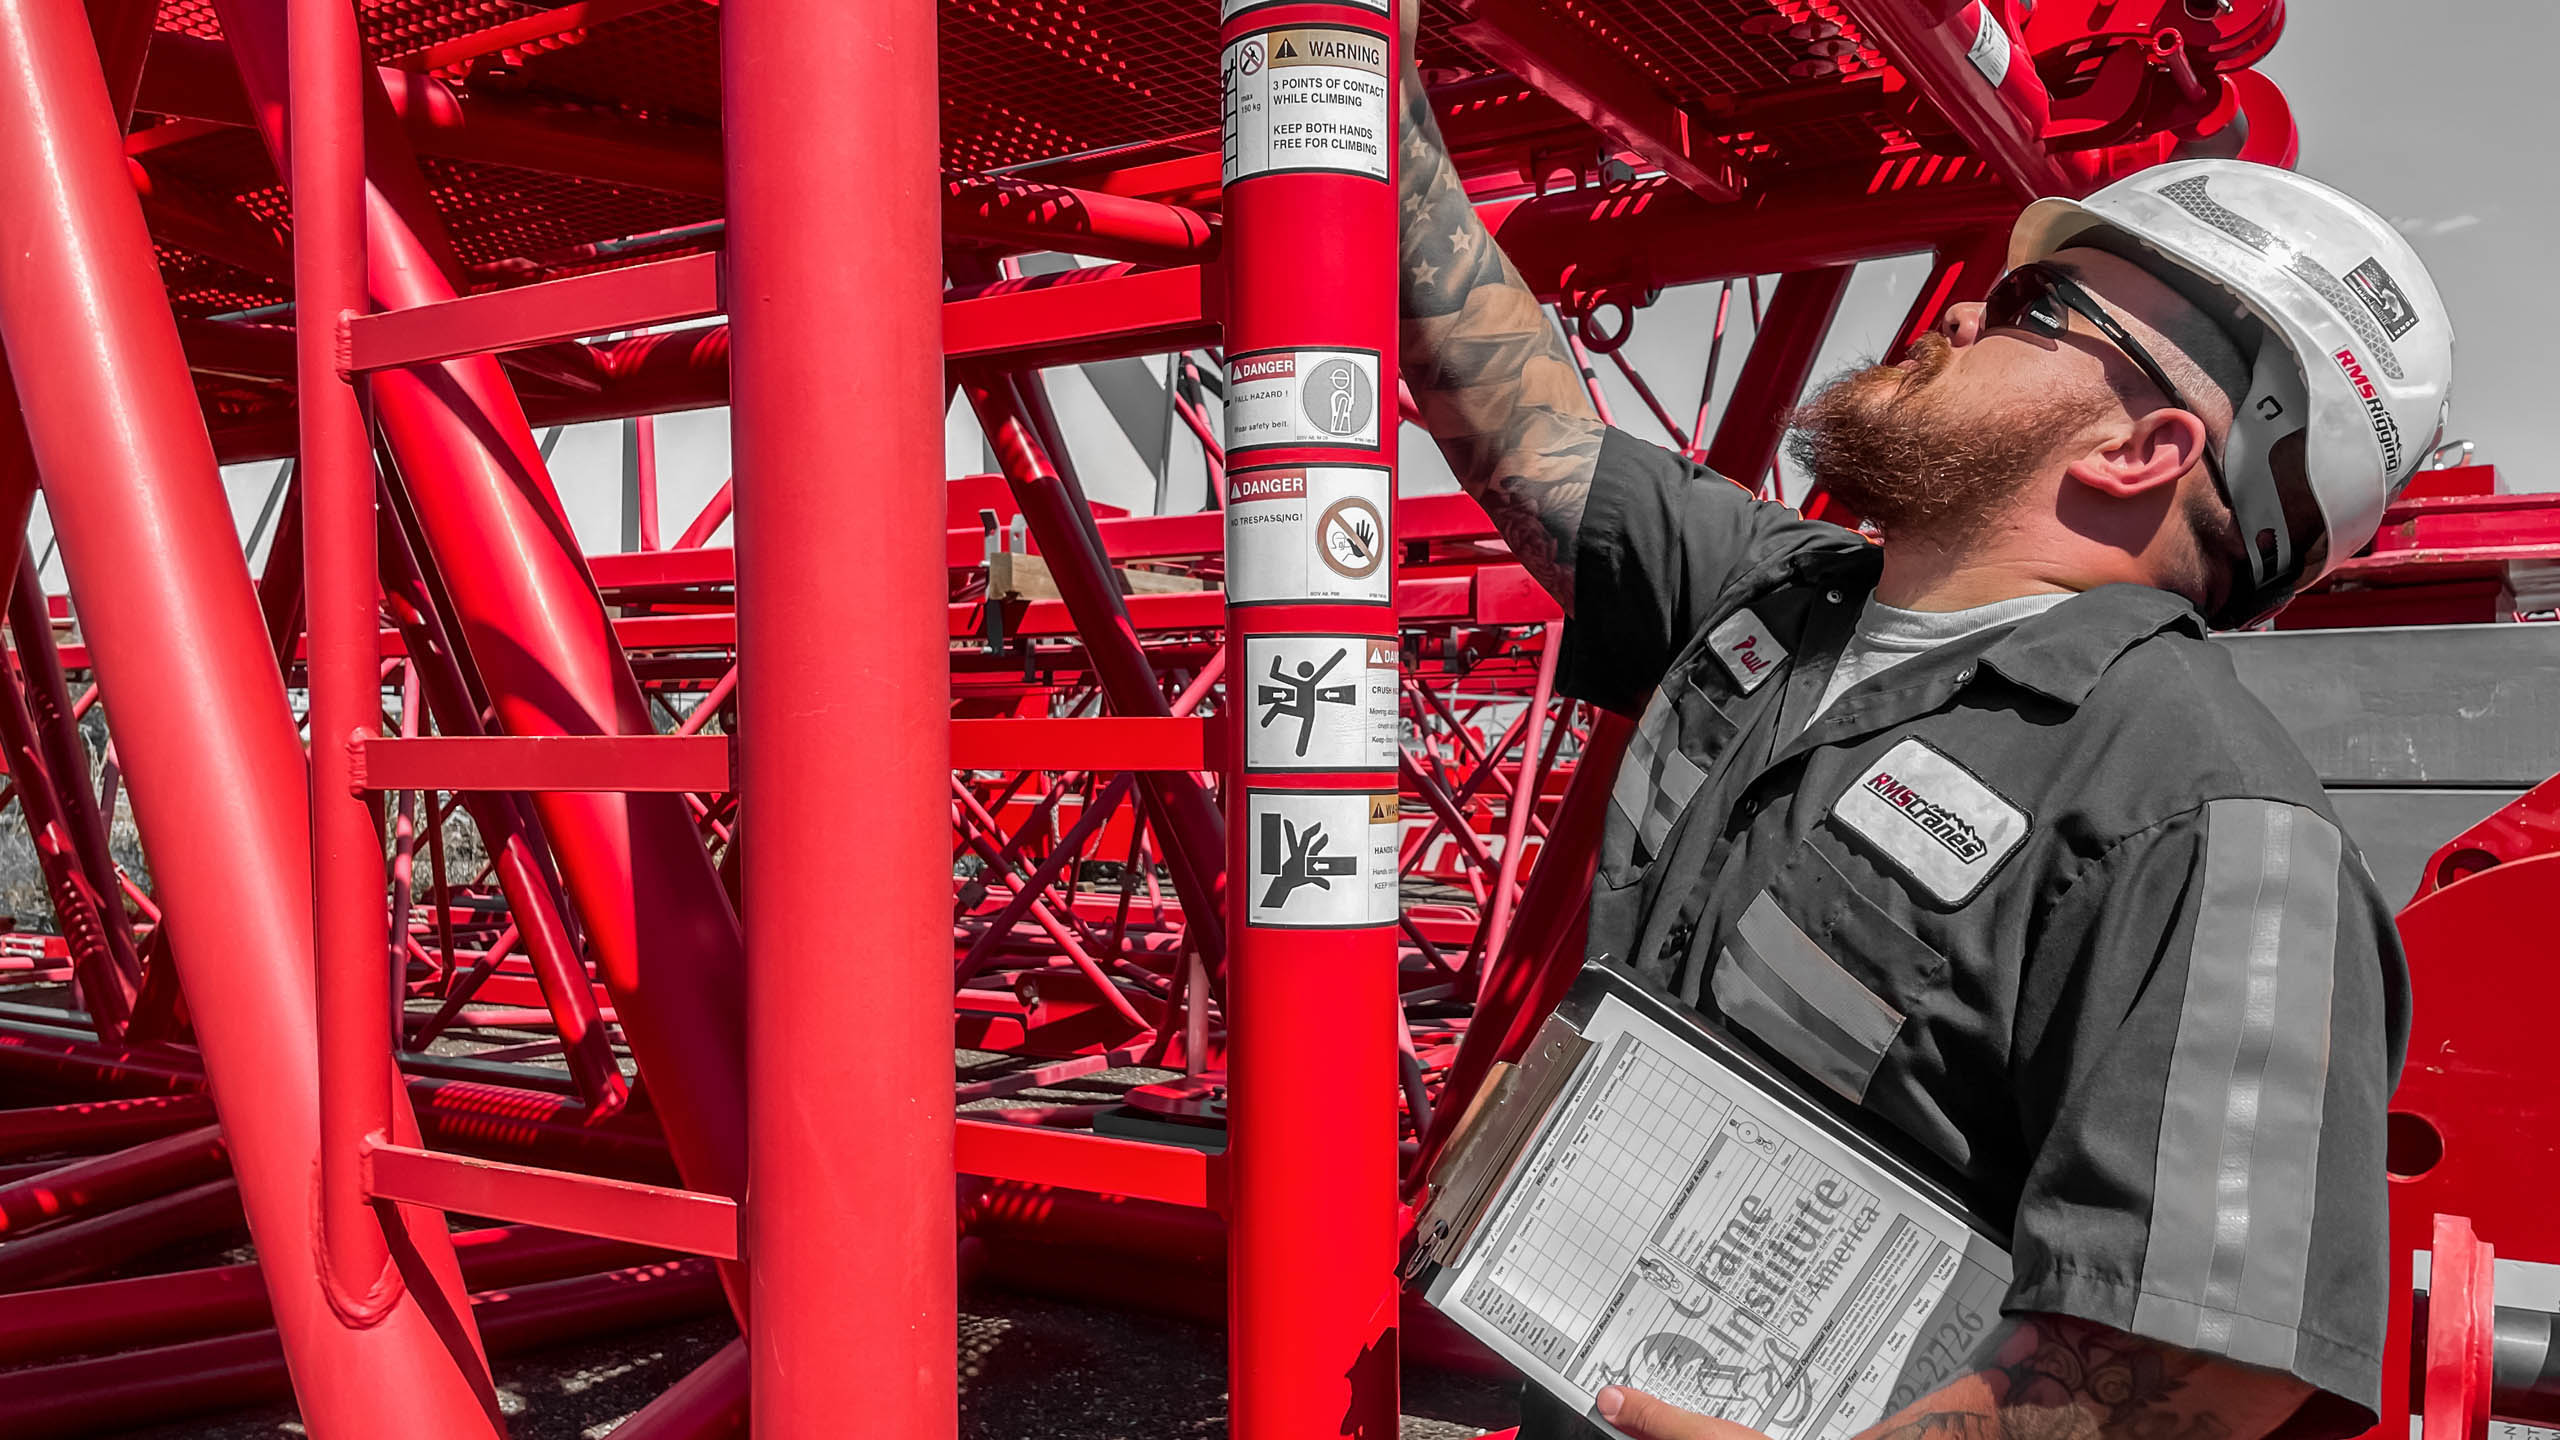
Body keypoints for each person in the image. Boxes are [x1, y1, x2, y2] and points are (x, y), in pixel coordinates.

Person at [1392, 13, 2455, 1440]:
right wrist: (1364, 79)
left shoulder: (2202, 814)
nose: (1960, 314)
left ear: (2145, 451)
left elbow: (2213, 1360)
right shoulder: (1785, 598)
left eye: (2034, 314)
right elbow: (1530, 430)